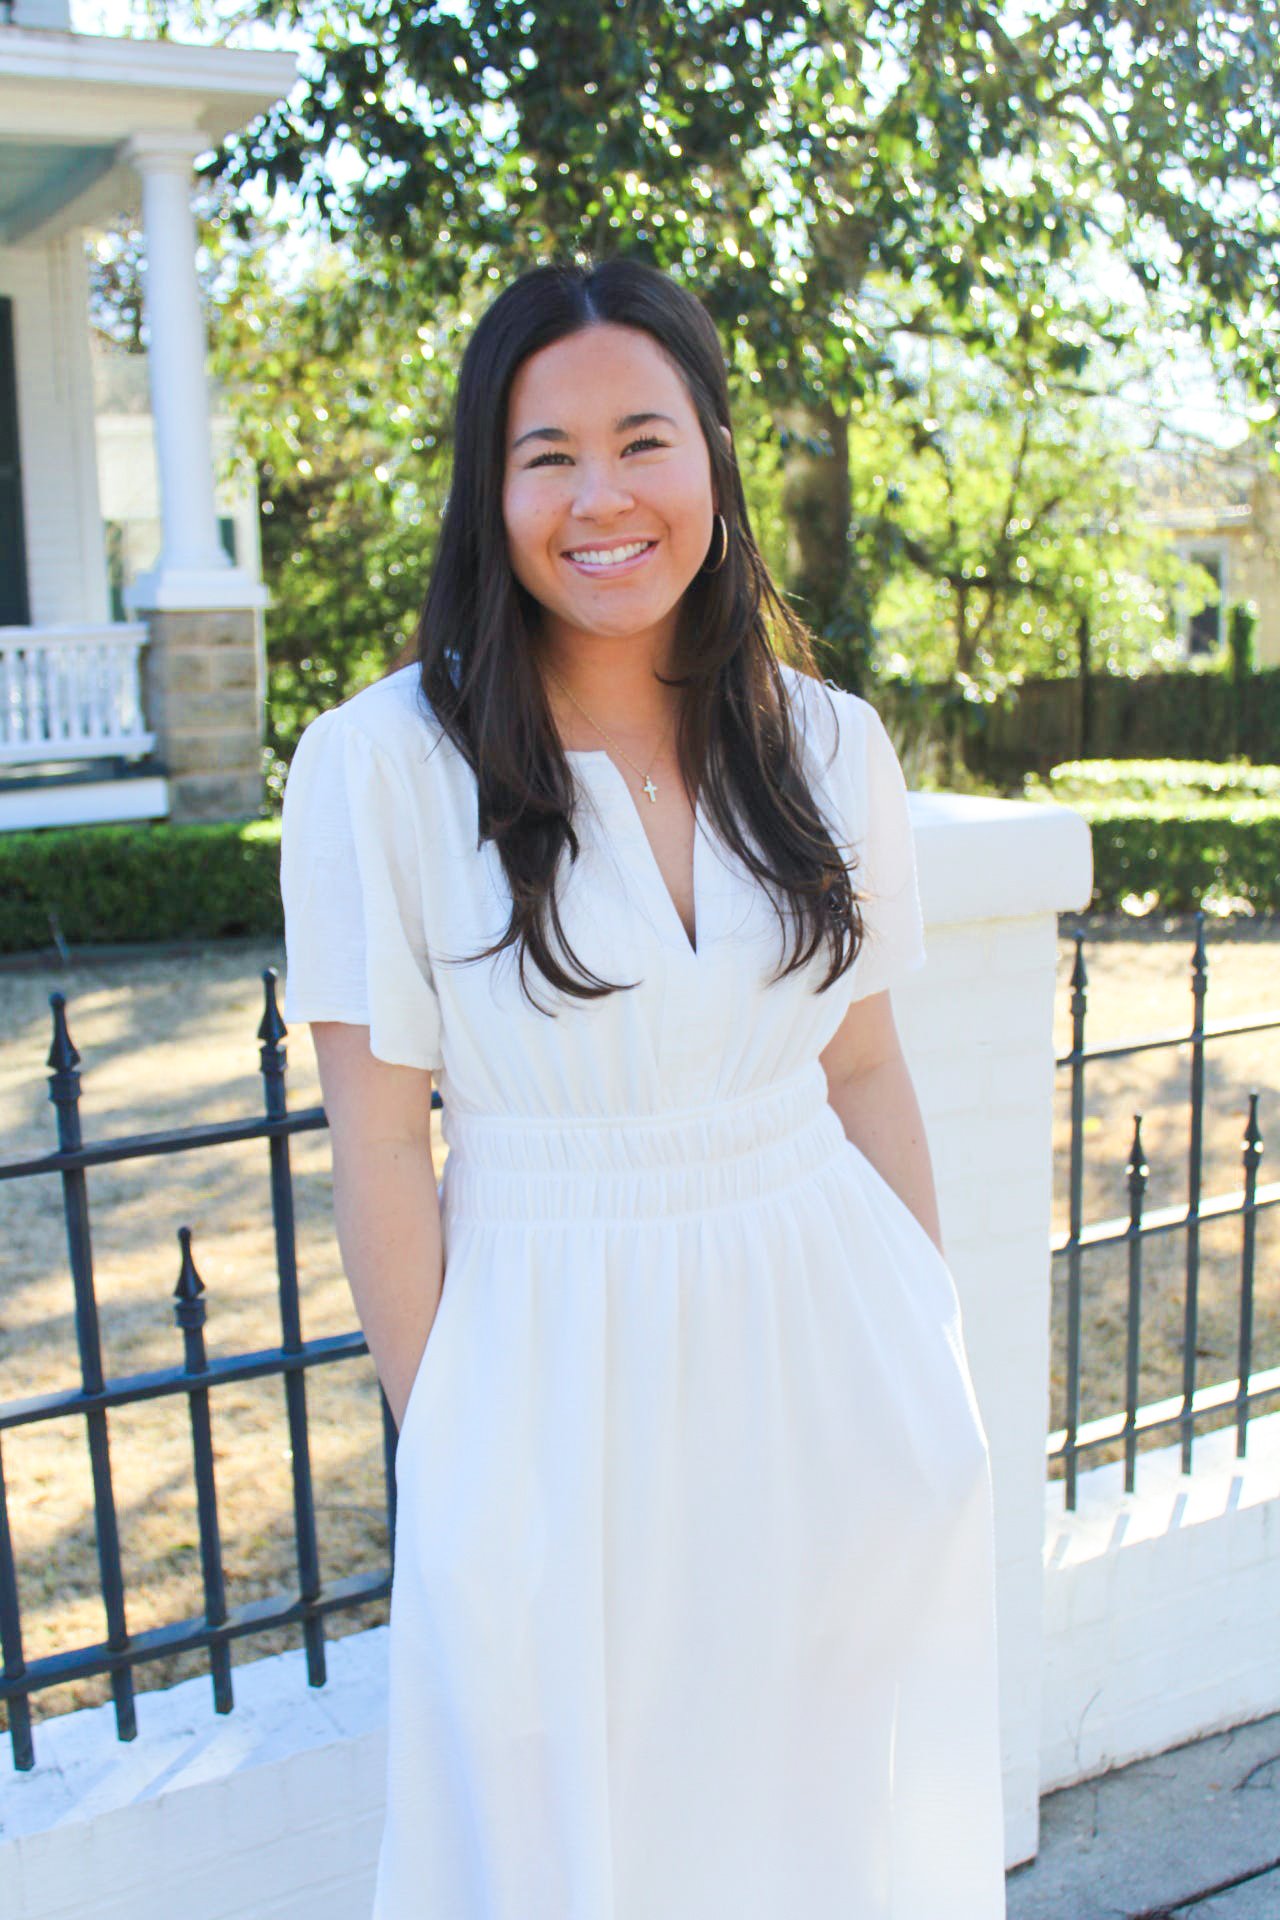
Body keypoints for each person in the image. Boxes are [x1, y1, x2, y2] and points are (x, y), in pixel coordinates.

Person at [279, 255, 1007, 1918]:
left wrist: (928, 1346)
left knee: (823, 1816)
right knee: (574, 1842)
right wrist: (453, 1454)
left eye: (644, 441)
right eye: (547, 455)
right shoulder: (381, 768)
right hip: (549, 1361)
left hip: (826, 1343)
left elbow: (865, 1062)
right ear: (491, 491)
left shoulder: (830, 744)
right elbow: (380, 1147)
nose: (600, 498)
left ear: (714, 460)